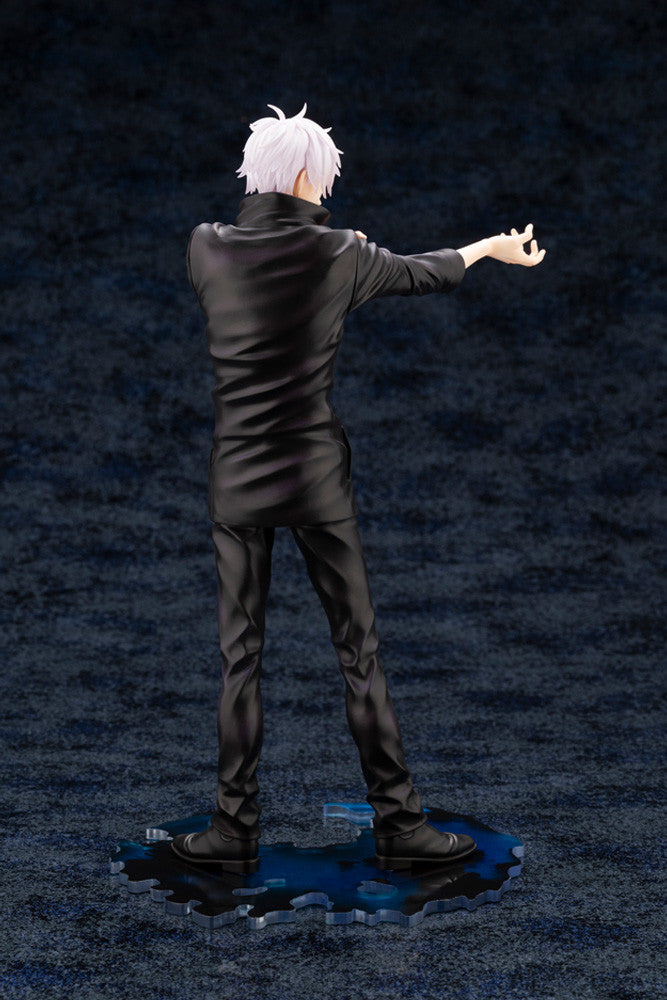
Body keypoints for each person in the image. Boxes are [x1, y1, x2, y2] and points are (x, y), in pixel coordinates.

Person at [171, 104, 545, 873]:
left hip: (236, 475)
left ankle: (232, 829)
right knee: (357, 653)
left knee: (239, 658)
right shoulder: (340, 252)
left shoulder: (205, 246)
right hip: (313, 477)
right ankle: (399, 823)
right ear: (309, 175)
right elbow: (425, 271)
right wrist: (489, 248)